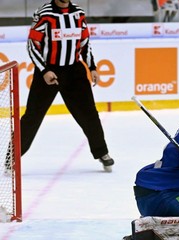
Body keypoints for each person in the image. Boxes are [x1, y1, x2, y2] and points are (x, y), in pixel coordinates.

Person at [22, 0, 114, 172]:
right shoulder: (45, 13)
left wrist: (92, 67)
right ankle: (12, 157)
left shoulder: (78, 13)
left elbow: (85, 43)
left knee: (89, 114)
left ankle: (102, 153)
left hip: (74, 72)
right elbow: (32, 45)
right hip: (49, 72)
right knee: (32, 116)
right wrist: (44, 71)